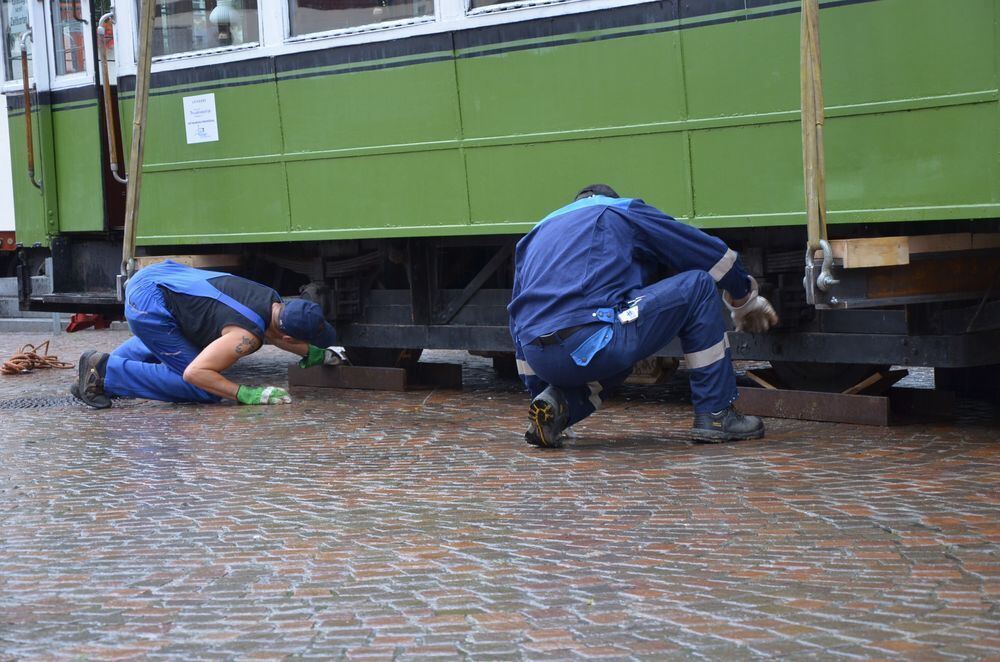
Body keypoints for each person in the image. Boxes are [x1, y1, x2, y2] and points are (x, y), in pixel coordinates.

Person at [508, 184, 778, 447]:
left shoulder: (534, 234)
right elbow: (709, 253)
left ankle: (557, 406)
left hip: (539, 353)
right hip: (594, 338)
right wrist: (743, 298)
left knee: (608, 353)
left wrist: (537, 389)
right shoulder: (619, 209)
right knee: (697, 286)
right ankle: (717, 414)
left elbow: (518, 319)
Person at [71, 260, 344, 409]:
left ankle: (90, 376)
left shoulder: (269, 299)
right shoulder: (244, 338)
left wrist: (313, 353)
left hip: (161, 277)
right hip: (149, 303)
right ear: (289, 336)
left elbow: (273, 332)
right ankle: (105, 374)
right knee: (204, 387)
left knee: (191, 341)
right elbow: (195, 373)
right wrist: (245, 394)